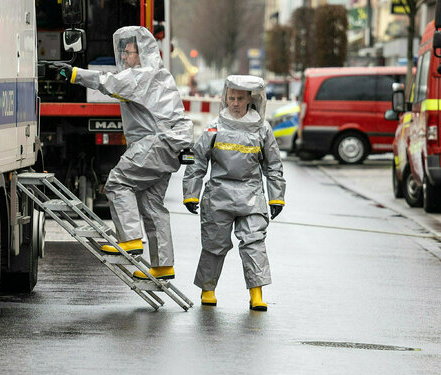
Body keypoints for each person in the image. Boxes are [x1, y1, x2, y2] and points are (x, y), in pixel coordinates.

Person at [56, 26, 193, 280]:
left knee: (118, 183)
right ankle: (163, 266)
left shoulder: (140, 76)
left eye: (129, 52)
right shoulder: (161, 75)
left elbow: (108, 82)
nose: (126, 57)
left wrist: (74, 73)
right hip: (168, 146)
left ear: (141, 54)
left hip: (153, 144)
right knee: (152, 206)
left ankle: (129, 240)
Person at [182, 75, 286, 311]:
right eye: (231, 98)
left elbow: (273, 165)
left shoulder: (262, 129)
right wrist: (191, 193)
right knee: (213, 244)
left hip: (251, 195)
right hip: (219, 195)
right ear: (225, 97)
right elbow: (198, 161)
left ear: (250, 99)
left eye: (240, 98)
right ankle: (208, 290)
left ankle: (256, 295)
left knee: (254, 242)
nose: (235, 103)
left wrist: (276, 196)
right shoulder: (214, 127)